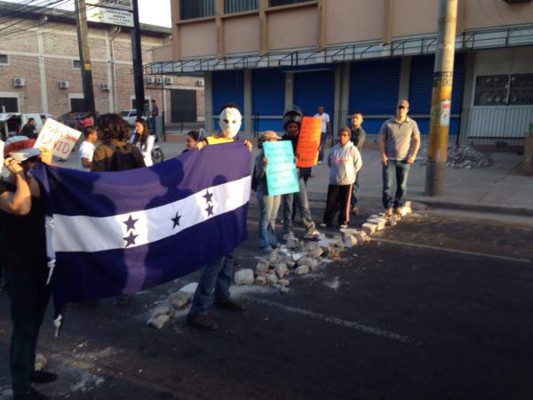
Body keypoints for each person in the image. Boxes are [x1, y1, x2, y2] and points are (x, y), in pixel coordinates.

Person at [187, 104, 251, 331]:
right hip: (214, 213)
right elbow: (192, 165)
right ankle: (198, 311)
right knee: (215, 261)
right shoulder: (209, 145)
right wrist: (200, 147)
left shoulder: (240, 146)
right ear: (219, 121)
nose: (230, 125)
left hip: (231, 211)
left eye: (235, 121)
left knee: (229, 258)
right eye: (227, 120)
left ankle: (222, 295)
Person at [0, 143, 56, 400]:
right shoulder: (3, 188)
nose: (31, 165)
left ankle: (29, 370)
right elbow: (20, 207)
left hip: (41, 263)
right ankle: (21, 387)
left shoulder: (33, 181)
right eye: (27, 160)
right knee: (23, 327)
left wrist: (47, 162)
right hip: (18, 267)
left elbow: (53, 188)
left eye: (33, 160)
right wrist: (17, 172)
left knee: (34, 323)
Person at [280, 105, 321, 241]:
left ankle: (310, 228)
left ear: (299, 127)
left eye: (295, 126)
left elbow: (310, 152)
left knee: (304, 203)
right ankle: (287, 230)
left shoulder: (304, 140)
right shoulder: (282, 140)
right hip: (286, 176)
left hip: (299, 175)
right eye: (290, 126)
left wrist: (316, 147)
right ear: (286, 127)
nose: (292, 129)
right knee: (288, 205)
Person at [379, 99, 420, 217]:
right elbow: (381, 139)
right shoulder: (388, 123)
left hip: (404, 160)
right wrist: (382, 155)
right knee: (387, 185)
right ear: (396, 109)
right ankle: (388, 207)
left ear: (407, 110)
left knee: (402, 185)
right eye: (399, 107)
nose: (401, 110)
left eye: (403, 108)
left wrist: (413, 155)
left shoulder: (412, 124)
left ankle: (398, 205)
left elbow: (417, 140)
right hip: (389, 159)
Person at [321, 127, 362, 229]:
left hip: (347, 181)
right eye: (341, 135)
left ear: (349, 137)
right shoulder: (334, 149)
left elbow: (358, 164)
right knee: (331, 201)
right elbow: (329, 163)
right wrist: (335, 173)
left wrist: (350, 173)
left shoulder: (353, 150)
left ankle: (343, 220)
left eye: (345, 135)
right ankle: (327, 220)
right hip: (334, 180)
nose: (342, 137)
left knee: (345, 202)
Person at [253, 131, 282, 254]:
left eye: (276, 140)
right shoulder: (260, 156)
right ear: (266, 142)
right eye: (272, 139)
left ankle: (272, 240)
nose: (275, 141)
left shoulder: (278, 154)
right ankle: (264, 243)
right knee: (266, 217)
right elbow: (258, 176)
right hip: (265, 190)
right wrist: (264, 165)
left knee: (273, 218)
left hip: (277, 188)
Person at [349, 112, 366, 215]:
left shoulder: (361, 133)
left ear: (361, 120)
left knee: (355, 184)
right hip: (345, 161)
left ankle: (354, 205)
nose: (354, 119)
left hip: (355, 162)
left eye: (357, 118)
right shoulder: (348, 131)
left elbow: (355, 146)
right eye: (353, 117)